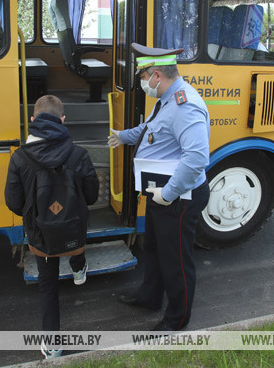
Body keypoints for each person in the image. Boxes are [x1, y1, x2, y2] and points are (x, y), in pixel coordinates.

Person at [108, 43, 210, 331]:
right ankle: (150, 297)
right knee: (152, 248)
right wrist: (123, 136)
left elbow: (197, 158)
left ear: (156, 75)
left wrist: (167, 195)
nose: (142, 83)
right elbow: (151, 130)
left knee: (175, 260)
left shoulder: (184, 105)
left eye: (143, 77)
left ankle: (177, 320)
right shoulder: (166, 98)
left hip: (177, 197)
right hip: (160, 191)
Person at [4, 95, 100, 358]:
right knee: (74, 238)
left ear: (33, 120)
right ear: (63, 120)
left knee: (48, 285)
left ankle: (54, 347)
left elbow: (13, 202)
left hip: (40, 234)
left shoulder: (20, 158)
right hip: (73, 231)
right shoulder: (79, 155)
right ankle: (79, 271)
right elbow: (91, 196)